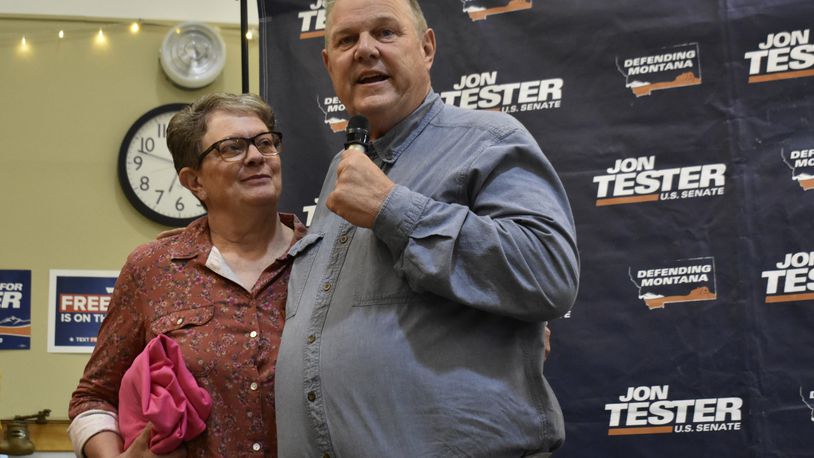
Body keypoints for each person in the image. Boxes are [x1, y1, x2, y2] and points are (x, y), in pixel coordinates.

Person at [274, 0, 580, 456]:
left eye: (385, 32)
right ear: (328, 64)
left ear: (427, 47)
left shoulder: (490, 139)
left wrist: (390, 207)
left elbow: (548, 272)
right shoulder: (344, 166)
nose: (364, 50)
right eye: (346, 40)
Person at [68, 93, 305, 458]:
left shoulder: (324, 259)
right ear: (194, 181)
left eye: (265, 142)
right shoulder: (152, 269)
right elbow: (93, 398)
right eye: (232, 147)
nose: (257, 156)